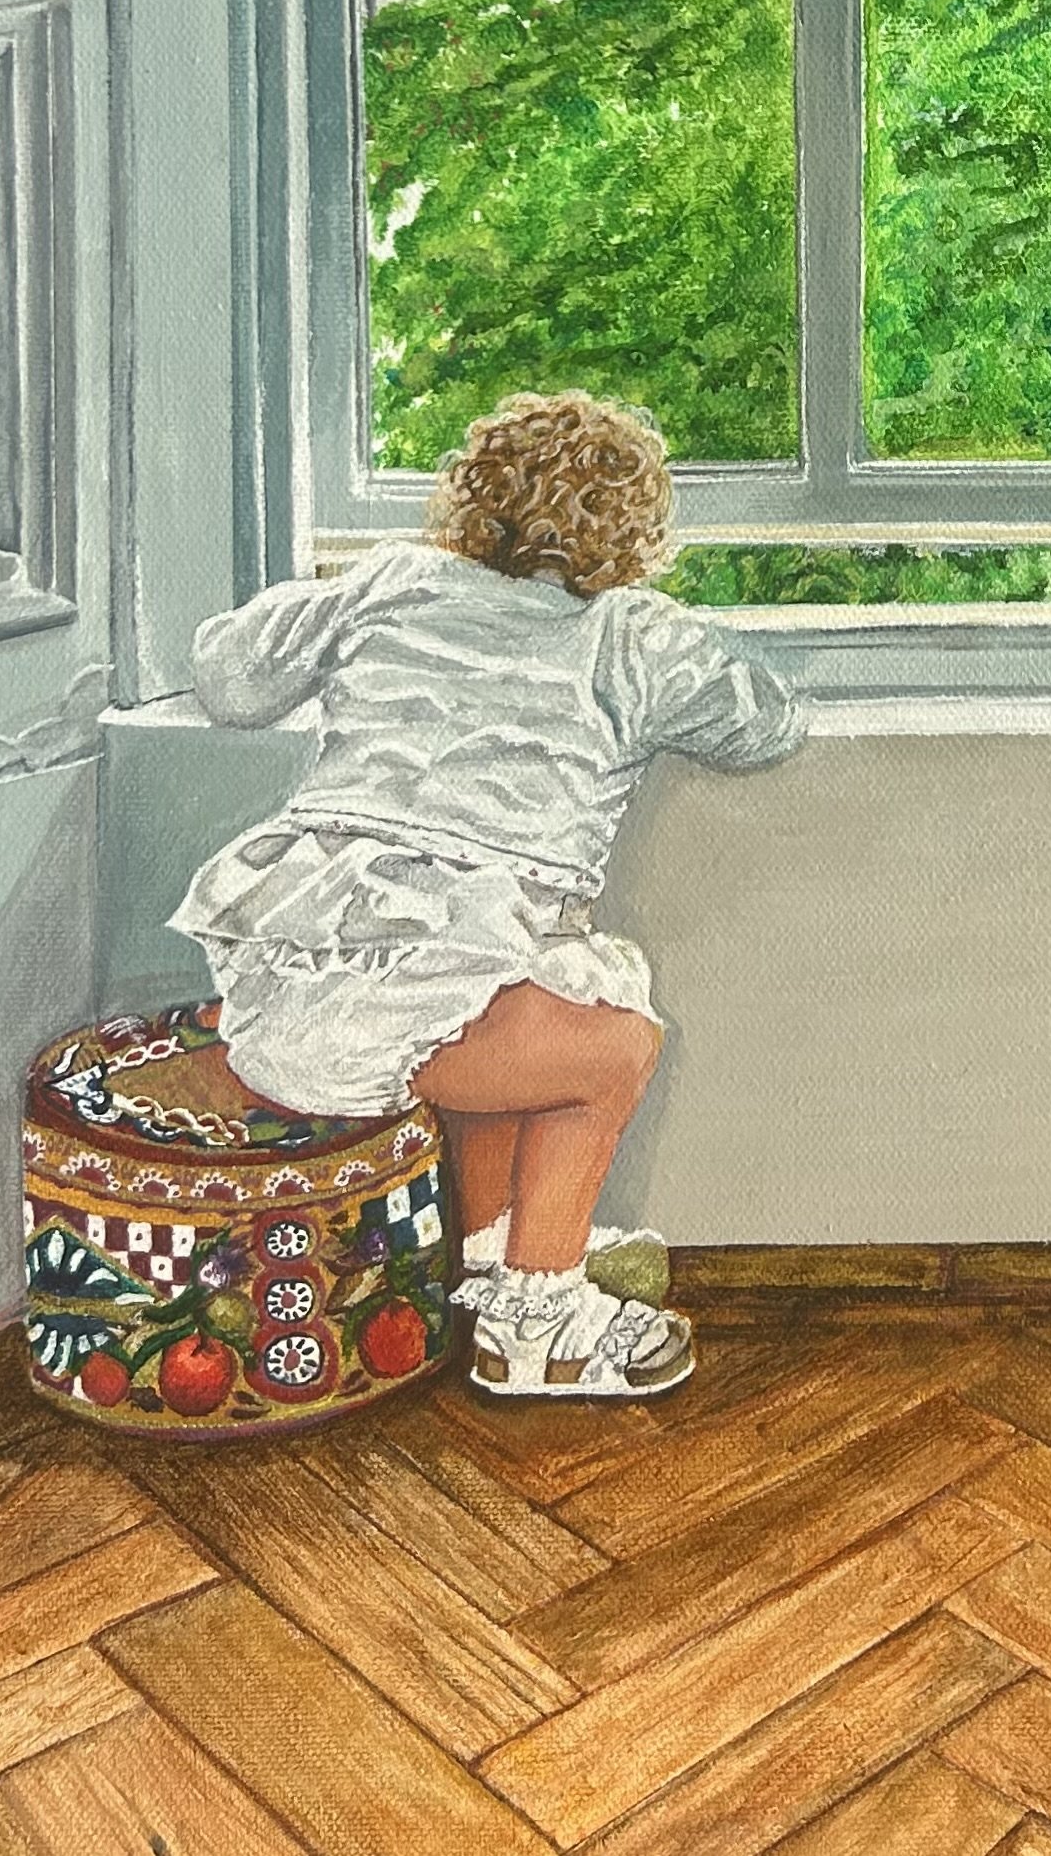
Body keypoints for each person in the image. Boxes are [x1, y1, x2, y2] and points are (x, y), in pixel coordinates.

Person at [168, 389, 807, 1399]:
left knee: (509, 984)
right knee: (613, 1046)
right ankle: (538, 1327)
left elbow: (229, 674)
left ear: (476, 497)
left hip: (290, 995)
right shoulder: (629, 634)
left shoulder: (395, 580)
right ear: (634, 529)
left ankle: (490, 1254)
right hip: (393, 1021)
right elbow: (764, 722)